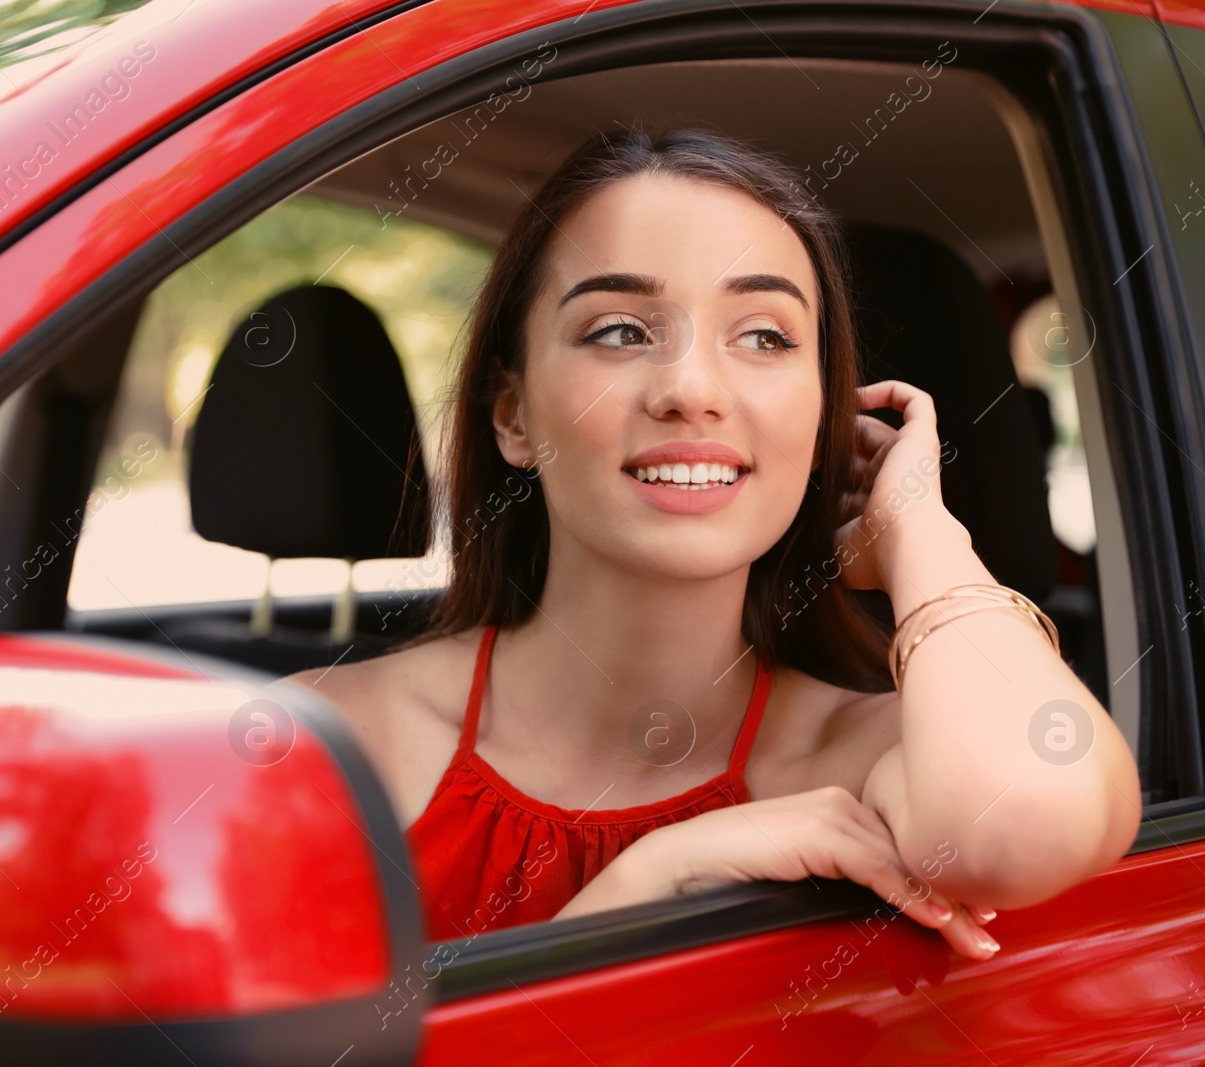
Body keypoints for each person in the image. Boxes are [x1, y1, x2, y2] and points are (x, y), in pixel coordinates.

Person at [281, 125, 1141, 958]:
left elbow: (1029, 824)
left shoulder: (868, 755)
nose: (692, 389)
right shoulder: (328, 740)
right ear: (512, 415)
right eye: (620, 330)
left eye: (764, 335)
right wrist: (645, 886)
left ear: (823, 414)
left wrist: (920, 530)